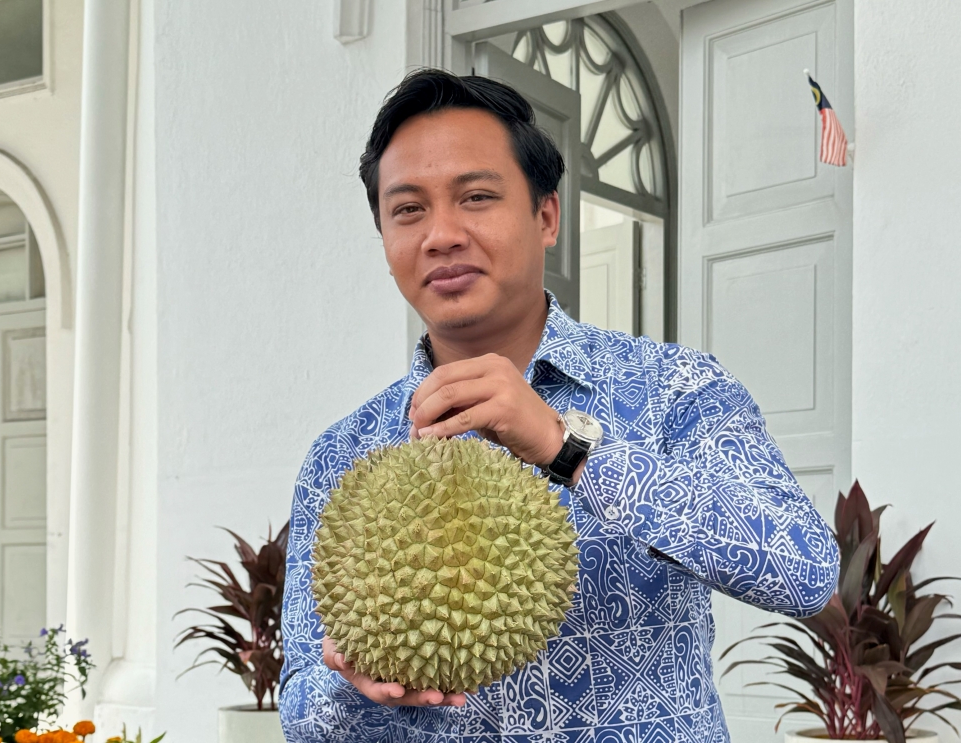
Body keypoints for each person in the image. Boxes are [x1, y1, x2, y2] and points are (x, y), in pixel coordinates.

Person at [279, 68, 838, 743]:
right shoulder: (345, 454)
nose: (442, 234)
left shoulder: (674, 387)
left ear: (547, 216)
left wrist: (568, 447)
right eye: (408, 209)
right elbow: (303, 715)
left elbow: (805, 571)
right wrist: (348, 681)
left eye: (477, 196)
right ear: (386, 242)